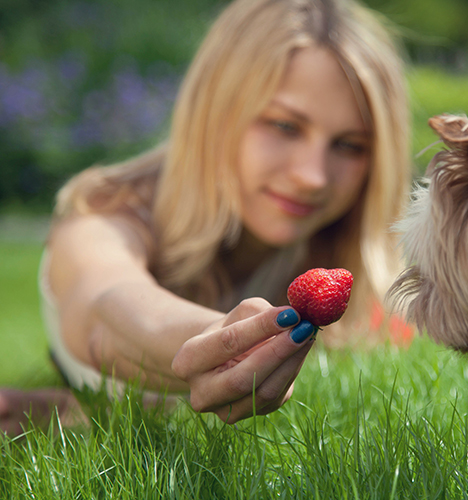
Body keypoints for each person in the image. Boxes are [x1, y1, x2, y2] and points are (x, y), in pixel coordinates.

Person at [0, 0, 412, 436]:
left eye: (349, 146)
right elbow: (107, 306)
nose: (312, 176)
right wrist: (219, 336)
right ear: (215, 110)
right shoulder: (107, 214)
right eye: (285, 126)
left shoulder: (344, 251)